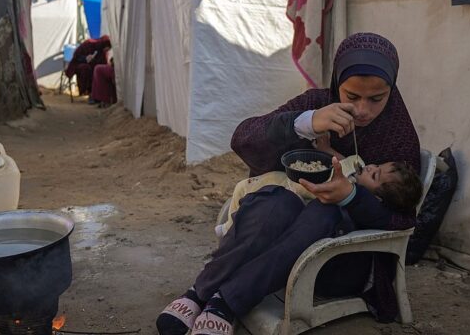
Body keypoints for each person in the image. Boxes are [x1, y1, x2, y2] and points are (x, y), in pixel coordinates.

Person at [156, 33, 421, 335]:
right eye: (351, 96)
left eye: (376, 99)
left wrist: (351, 197)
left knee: (325, 212)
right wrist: (306, 122)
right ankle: (200, 292)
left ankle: (225, 303)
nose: (362, 110)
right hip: (282, 236)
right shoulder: (318, 103)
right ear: (337, 83)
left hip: (339, 262)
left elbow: (405, 220)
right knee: (276, 201)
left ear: (392, 88)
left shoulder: (399, 135)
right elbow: (243, 137)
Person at [216, 159, 422, 237]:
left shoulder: (356, 203)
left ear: (377, 199)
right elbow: (338, 161)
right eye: (377, 165)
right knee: (245, 187)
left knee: (253, 188)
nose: (371, 167)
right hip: (294, 193)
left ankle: (230, 229)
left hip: (298, 205)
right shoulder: (355, 175)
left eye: (375, 175)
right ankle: (230, 226)